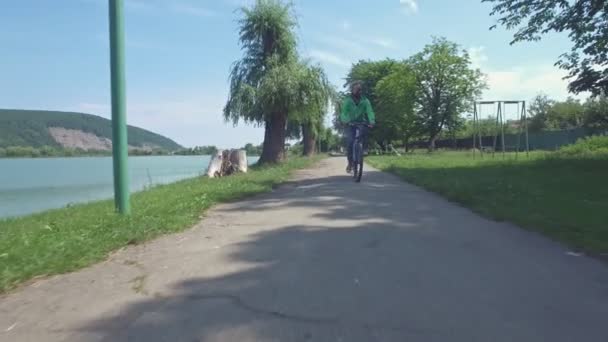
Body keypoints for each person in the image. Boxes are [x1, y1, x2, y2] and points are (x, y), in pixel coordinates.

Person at [340, 81, 375, 173]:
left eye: (360, 89)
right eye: (356, 89)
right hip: (350, 123)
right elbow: (344, 112)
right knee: (350, 142)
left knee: (365, 131)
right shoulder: (348, 100)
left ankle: (364, 149)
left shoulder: (365, 101)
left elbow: (369, 111)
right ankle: (350, 163)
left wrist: (371, 121)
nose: (358, 91)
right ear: (352, 90)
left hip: (360, 122)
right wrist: (345, 120)